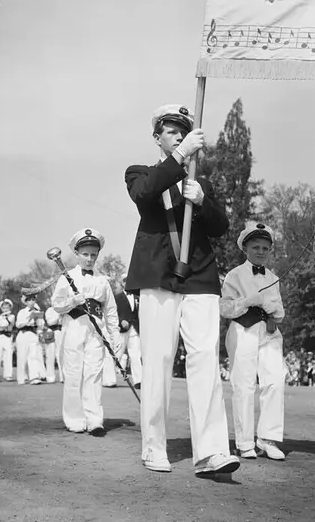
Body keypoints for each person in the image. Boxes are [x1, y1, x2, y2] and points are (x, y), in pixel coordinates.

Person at [125, 104, 239, 475]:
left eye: (183, 131)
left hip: (199, 275)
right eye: (171, 131)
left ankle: (211, 451)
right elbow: (145, 194)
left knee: (205, 358)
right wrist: (180, 156)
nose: (178, 136)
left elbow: (221, 227)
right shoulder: (140, 172)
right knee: (158, 359)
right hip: (159, 274)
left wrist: (202, 202)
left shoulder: (199, 182)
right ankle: (154, 446)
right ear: (157, 137)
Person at [219, 222, 286, 461]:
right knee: (244, 385)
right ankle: (245, 442)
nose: (261, 252)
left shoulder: (274, 278)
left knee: (276, 380)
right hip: (243, 331)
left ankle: (267, 438)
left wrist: (271, 308)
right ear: (245, 248)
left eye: (265, 248)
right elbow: (225, 308)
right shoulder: (235, 275)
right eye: (256, 247)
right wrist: (247, 301)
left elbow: (280, 312)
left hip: (268, 332)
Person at [51, 228, 121, 436]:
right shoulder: (67, 277)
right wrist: (72, 301)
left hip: (96, 330)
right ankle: (74, 418)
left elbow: (110, 310)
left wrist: (114, 333)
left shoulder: (102, 280)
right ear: (77, 253)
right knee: (74, 373)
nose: (90, 259)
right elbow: (57, 305)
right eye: (85, 254)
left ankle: (94, 419)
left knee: (94, 374)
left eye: (93, 255)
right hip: (74, 326)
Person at [15, 292, 45, 385]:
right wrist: (28, 319)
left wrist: (38, 318)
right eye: (29, 300)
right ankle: (21, 378)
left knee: (33, 356)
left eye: (33, 300)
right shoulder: (22, 312)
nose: (32, 302)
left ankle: (34, 377)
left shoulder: (37, 311)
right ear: (26, 302)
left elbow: (41, 325)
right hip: (23, 334)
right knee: (22, 357)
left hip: (32, 334)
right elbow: (18, 324)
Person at [0, 298, 15, 382]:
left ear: (10, 308)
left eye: (7, 307)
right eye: (4, 307)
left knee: (8, 355)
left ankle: (8, 375)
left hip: (7, 336)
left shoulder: (11, 316)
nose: (5, 309)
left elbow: (4, 324)